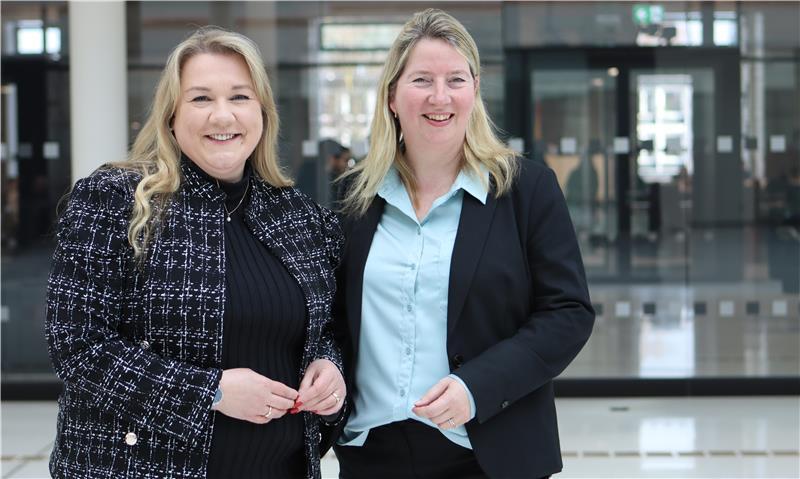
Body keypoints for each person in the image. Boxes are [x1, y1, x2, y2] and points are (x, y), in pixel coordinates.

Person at [45, 27, 345, 479]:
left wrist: (330, 367)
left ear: (262, 113)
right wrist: (210, 392)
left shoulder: (300, 217)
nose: (222, 116)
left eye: (240, 97)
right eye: (201, 98)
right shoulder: (113, 200)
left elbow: (326, 328)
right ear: (171, 115)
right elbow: (78, 348)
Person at [332, 9, 594, 479]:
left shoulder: (526, 190)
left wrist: (476, 387)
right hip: (372, 453)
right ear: (392, 95)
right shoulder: (353, 198)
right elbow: (331, 318)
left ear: (475, 89)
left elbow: (568, 313)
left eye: (456, 79)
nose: (439, 96)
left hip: (488, 450)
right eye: (421, 80)